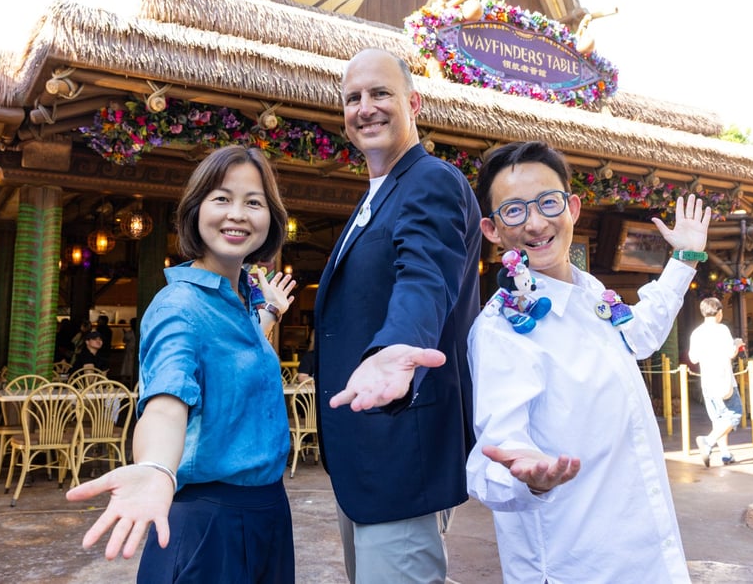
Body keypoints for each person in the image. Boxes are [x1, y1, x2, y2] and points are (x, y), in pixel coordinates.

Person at [465, 140, 706, 583]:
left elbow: (640, 334)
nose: (535, 223)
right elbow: (492, 460)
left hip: (647, 554)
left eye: (547, 202)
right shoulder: (502, 330)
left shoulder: (590, 291)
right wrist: (529, 477)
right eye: (514, 211)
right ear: (492, 229)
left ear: (572, 207)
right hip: (575, 564)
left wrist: (684, 258)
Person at [66, 145, 298, 582]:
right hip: (210, 522)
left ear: (270, 218)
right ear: (195, 211)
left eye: (254, 202)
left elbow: (232, 354)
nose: (238, 214)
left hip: (268, 510)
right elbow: (168, 398)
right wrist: (156, 467)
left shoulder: (243, 301)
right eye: (222, 199)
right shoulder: (179, 305)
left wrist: (270, 314)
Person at [317, 48, 482, 583]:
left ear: (413, 102)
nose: (365, 107)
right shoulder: (375, 196)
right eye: (353, 98)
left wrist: (396, 346)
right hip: (365, 452)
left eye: (379, 93)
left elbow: (425, 275)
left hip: (402, 453)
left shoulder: (429, 179)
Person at [688, 297, 744, 467]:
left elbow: (693, 358)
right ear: (719, 312)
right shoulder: (722, 330)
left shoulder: (697, 332)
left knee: (718, 419)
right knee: (734, 414)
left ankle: (725, 454)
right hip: (724, 380)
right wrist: (737, 343)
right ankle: (708, 441)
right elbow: (730, 353)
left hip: (707, 381)